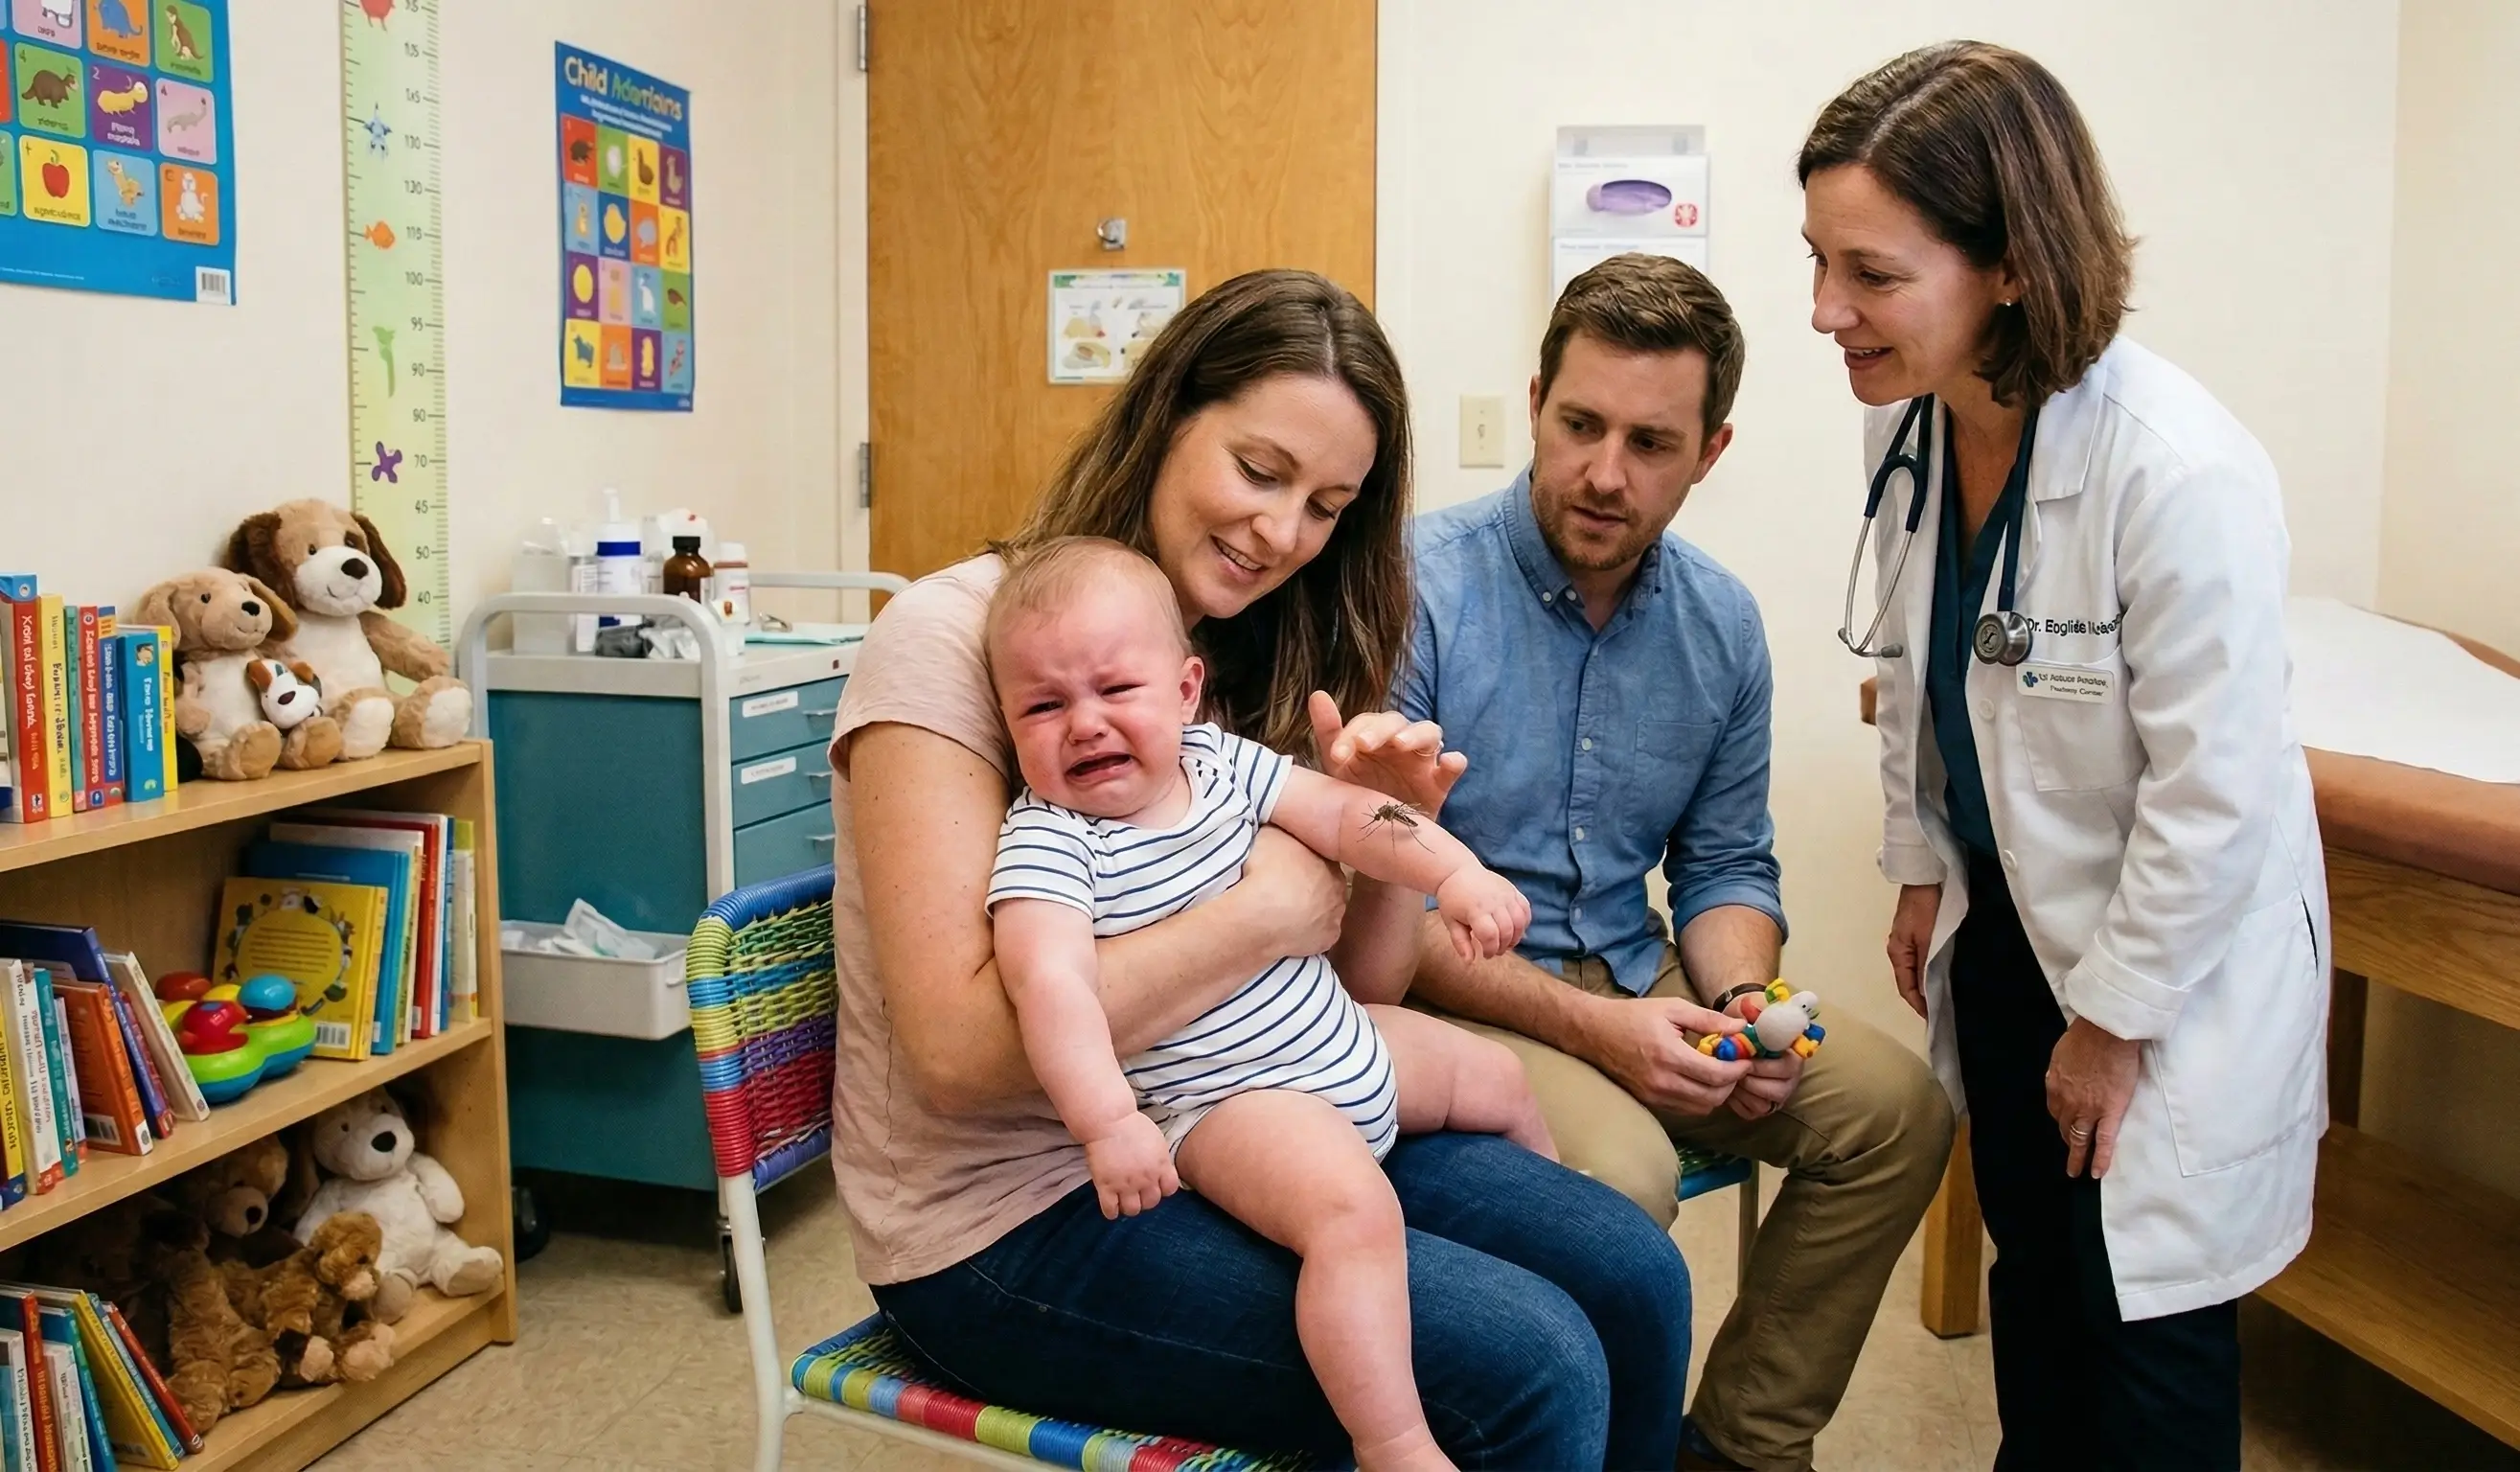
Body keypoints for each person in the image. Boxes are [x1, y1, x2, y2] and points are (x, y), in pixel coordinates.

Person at [829, 268, 1692, 1468]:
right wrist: (1261, 914)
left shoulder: (1234, 654)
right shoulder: (960, 643)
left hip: (1262, 1096)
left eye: (1326, 505)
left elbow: (1361, 990)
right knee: (1525, 1364)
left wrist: (1390, 846)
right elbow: (960, 1057)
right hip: (1014, 1214)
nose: (1282, 535)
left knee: (1634, 1276)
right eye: (1259, 471)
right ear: (1167, 413)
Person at [1803, 42, 2328, 1471]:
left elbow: (2211, 794)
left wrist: (2112, 1021)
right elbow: (1922, 673)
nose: (1821, 312)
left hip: (2156, 967)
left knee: (2142, 1316)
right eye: (1816, 263)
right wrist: (1917, 870)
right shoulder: (1908, 432)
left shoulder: (2176, 469)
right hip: (2011, 929)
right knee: (2036, 1270)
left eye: (1869, 274)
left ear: (2013, 266)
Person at [1402, 252, 1956, 1472]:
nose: (1604, 474)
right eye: (1578, 424)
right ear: (1536, 396)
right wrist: (1606, 1037)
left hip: (1634, 975)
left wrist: (1739, 1001)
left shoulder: (1719, 623)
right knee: (1624, 1180)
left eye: (1650, 443)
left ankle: (1737, 1446)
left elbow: (1721, 869)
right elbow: (1381, 920)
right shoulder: (1411, 588)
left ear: (1709, 452)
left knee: (1894, 1113)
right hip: (1450, 992)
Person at [986, 535, 1553, 1472]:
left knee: (1496, 1075)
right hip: (1228, 1103)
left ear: (1183, 690)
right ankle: (1393, 1443)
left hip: (1341, 1038)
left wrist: (1454, 873)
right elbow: (1047, 987)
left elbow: (1344, 814)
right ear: (1008, 728)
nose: (1082, 724)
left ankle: (1545, 1248)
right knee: (1351, 1217)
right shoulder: (1049, 842)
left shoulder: (1220, 763)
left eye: (1113, 690)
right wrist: (1107, 1123)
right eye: (1043, 706)